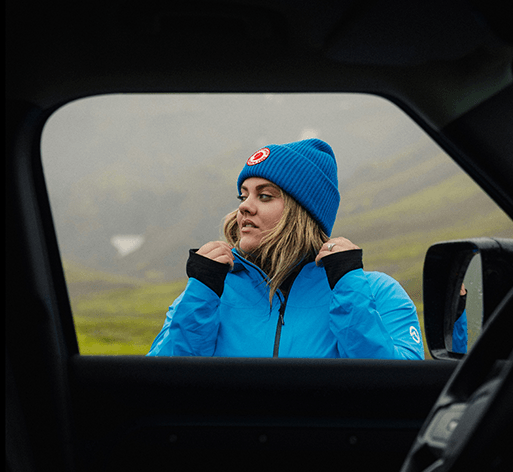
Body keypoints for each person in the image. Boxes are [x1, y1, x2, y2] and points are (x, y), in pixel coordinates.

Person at [148, 138, 424, 359]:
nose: (244, 206)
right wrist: (200, 294)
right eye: (243, 195)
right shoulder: (209, 289)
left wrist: (349, 288)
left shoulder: (375, 292)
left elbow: (399, 393)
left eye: (264, 196)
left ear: (303, 213)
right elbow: (160, 390)